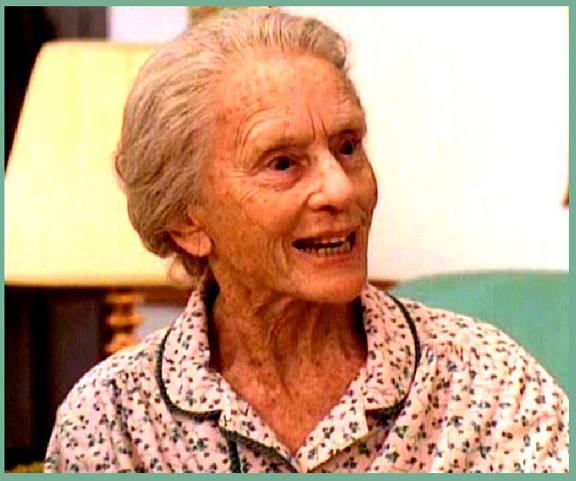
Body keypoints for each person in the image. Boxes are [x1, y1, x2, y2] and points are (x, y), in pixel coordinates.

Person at [45, 8, 568, 473]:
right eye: (282, 163)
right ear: (189, 222)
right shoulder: (113, 421)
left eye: (348, 147)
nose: (341, 189)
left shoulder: (491, 388)